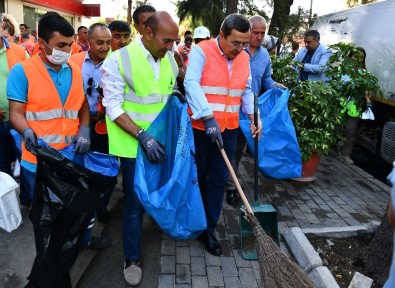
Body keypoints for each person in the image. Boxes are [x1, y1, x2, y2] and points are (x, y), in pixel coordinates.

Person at [7, 12, 91, 287]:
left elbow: (82, 107)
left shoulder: (74, 71)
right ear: (41, 43)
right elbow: (16, 112)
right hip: (39, 165)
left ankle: (53, 276)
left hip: (69, 161)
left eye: (70, 44)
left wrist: (85, 129)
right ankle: (49, 279)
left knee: (67, 226)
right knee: (45, 226)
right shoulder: (23, 71)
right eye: (61, 45)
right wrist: (27, 130)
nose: (68, 51)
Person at [101, 11, 179, 286]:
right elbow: (112, 107)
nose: (171, 46)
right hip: (135, 146)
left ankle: (159, 223)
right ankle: (131, 258)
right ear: (147, 32)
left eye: (174, 41)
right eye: (167, 40)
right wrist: (142, 135)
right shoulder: (117, 61)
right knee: (134, 203)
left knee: (158, 191)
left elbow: (168, 93)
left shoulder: (169, 57)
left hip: (161, 145)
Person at [184, 14, 262, 256]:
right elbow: (191, 83)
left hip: (227, 129)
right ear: (221, 34)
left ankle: (209, 229)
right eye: (235, 43)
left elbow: (246, 90)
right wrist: (207, 117)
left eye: (244, 43)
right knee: (198, 177)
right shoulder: (202, 51)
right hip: (201, 129)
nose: (240, 49)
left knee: (218, 180)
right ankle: (193, 221)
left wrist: (254, 117)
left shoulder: (244, 58)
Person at [225, 15, 285, 206]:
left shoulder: (264, 55)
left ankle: (230, 183)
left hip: (250, 111)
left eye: (262, 33)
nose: (259, 37)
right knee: (229, 149)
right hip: (232, 108)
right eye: (255, 32)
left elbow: (265, 79)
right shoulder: (235, 50)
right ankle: (231, 187)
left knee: (239, 150)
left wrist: (275, 85)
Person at [69, 23, 113, 247]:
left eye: (108, 42)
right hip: (80, 130)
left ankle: (99, 204)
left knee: (106, 175)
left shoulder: (116, 64)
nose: (106, 47)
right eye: (100, 42)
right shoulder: (74, 62)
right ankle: (83, 221)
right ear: (87, 42)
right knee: (81, 176)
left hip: (108, 131)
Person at [0, 17, 29, 178]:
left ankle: (26, 200)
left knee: (25, 161)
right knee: (2, 166)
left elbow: (33, 80)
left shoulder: (19, 51)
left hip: (19, 119)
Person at [340, 47, 372, 165]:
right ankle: (329, 149)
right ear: (350, 56)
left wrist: (367, 96)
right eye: (355, 56)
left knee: (351, 131)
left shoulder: (364, 73)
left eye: (361, 57)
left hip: (355, 106)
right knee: (336, 128)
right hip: (340, 103)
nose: (357, 59)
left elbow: (366, 90)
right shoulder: (341, 69)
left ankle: (345, 155)